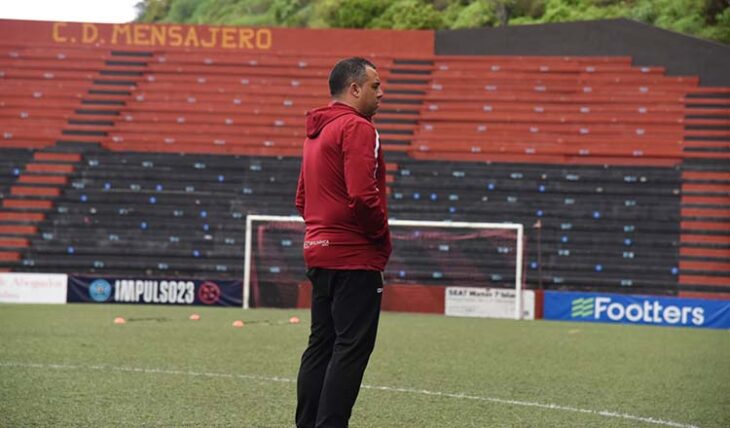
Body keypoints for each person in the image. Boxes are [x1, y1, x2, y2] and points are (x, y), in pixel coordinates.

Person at [294, 57, 391, 428]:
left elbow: (302, 199)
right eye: (375, 86)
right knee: (350, 348)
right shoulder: (358, 128)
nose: (381, 93)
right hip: (354, 256)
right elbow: (364, 196)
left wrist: (323, 233)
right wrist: (379, 237)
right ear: (354, 89)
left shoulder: (315, 132)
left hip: (318, 251)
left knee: (321, 344)